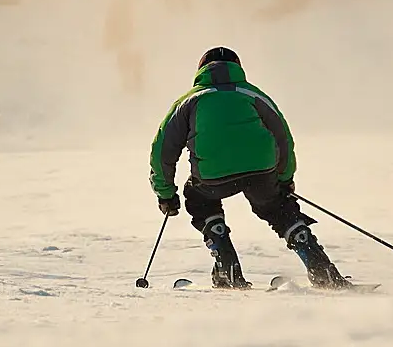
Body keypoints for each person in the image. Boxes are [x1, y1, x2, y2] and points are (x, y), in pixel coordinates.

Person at [148, 47, 351, 290]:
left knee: (199, 198)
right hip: (262, 171)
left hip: (212, 177)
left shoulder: (189, 101)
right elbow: (283, 138)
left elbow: (162, 151)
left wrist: (166, 194)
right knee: (278, 209)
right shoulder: (253, 95)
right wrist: (284, 179)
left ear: (201, 69)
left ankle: (226, 265)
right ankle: (321, 268)